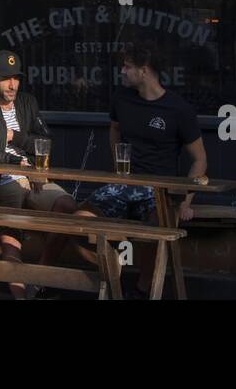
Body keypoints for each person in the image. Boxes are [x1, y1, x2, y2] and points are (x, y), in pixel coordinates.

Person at [79, 41, 208, 297]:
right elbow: (114, 129)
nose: (123, 72)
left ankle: (142, 288)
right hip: (124, 185)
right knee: (77, 222)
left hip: (157, 192)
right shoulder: (122, 99)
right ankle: (111, 272)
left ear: (144, 70)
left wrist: (185, 201)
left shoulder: (178, 109)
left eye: (127, 67)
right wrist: (118, 165)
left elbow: (200, 160)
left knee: (155, 229)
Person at [0, 49, 82, 299]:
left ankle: (39, 278)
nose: (13, 85)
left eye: (16, 78)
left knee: (67, 205)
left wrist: (15, 137)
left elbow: (46, 143)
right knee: (11, 235)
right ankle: (22, 296)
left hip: (35, 179)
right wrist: (13, 160)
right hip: (3, 181)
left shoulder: (28, 103)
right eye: (6, 78)